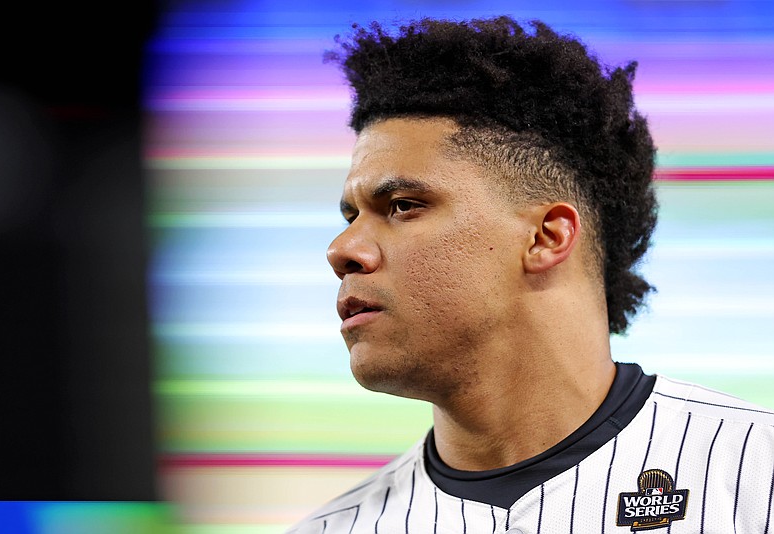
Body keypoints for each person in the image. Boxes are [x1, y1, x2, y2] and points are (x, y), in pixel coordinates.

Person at [286, 15, 774, 533]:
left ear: (547, 237)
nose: (342, 250)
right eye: (350, 217)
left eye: (403, 205)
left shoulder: (755, 475)